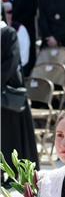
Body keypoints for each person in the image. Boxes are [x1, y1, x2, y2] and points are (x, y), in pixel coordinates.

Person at [1, 17, 37, 170]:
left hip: (8, 90)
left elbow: (12, 61)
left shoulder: (8, 33)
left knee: (10, 136)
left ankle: (11, 171)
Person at [1, 0, 37, 73]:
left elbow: (32, 9)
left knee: (25, 55)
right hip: (4, 29)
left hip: (25, 27)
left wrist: (16, 23)